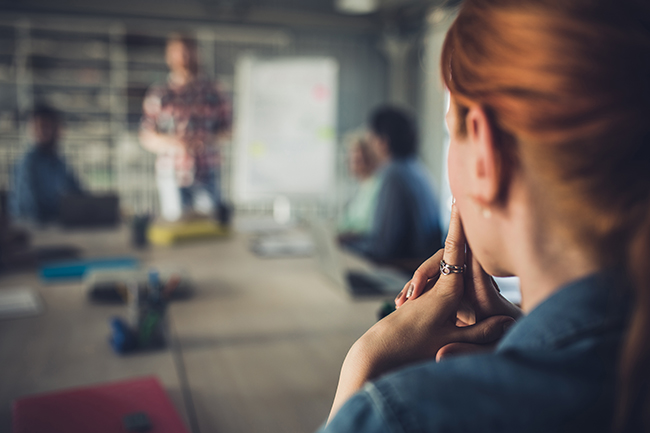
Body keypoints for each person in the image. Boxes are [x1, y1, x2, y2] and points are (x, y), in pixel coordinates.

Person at [319, 0, 650, 432]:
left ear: (485, 155)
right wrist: (530, 337)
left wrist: (365, 371)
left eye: (449, 129)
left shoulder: (405, 415)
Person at [140, 33, 232, 222]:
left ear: (198, 54)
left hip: (207, 172)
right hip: (172, 174)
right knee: (176, 228)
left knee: (208, 229)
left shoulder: (214, 91)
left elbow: (230, 130)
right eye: (178, 53)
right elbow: (146, 136)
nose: (184, 58)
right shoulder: (159, 94)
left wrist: (208, 140)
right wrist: (174, 143)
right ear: (169, 56)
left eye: (188, 52)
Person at [341, 106, 442, 270]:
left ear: (383, 142)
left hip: (403, 273)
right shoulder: (417, 168)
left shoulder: (393, 175)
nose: (370, 146)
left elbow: (383, 248)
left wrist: (345, 246)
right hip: (421, 267)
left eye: (371, 139)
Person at [10, 104, 82, 224]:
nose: (41, 132)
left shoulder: (59, 162)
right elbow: (30, 209)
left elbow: (78, 195)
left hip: (54, 225)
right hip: (31, 229)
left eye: (46, 127)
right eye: (36, 128)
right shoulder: (28, 163)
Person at [338, 134, 381, 239]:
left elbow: (367, 226)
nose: (352, 163)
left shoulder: (377, 186)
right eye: (351, 158)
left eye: (357, 160)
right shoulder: (361, 187)